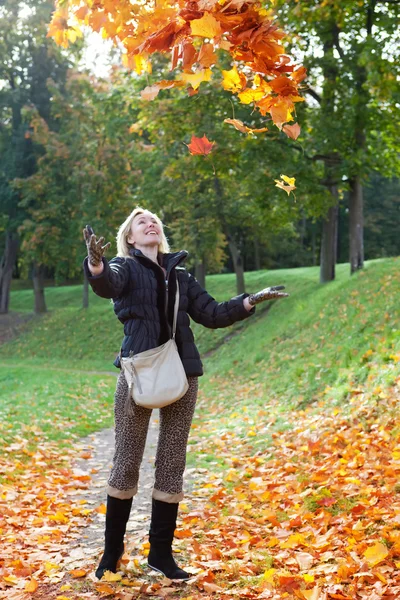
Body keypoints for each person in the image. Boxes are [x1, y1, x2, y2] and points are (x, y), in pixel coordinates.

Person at [82, 207, 288, 581]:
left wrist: (249, 301)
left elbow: (211, 313)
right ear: (130, 238)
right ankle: (112, 553)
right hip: (138, 372)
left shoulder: (180, 275)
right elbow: (106, 284)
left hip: (182, 372)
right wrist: (95, 265)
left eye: (154, 220)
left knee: (173, 462)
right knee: (126, 460)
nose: (150, 223)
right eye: (140, 221)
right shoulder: (124, 267)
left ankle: (161, 554)